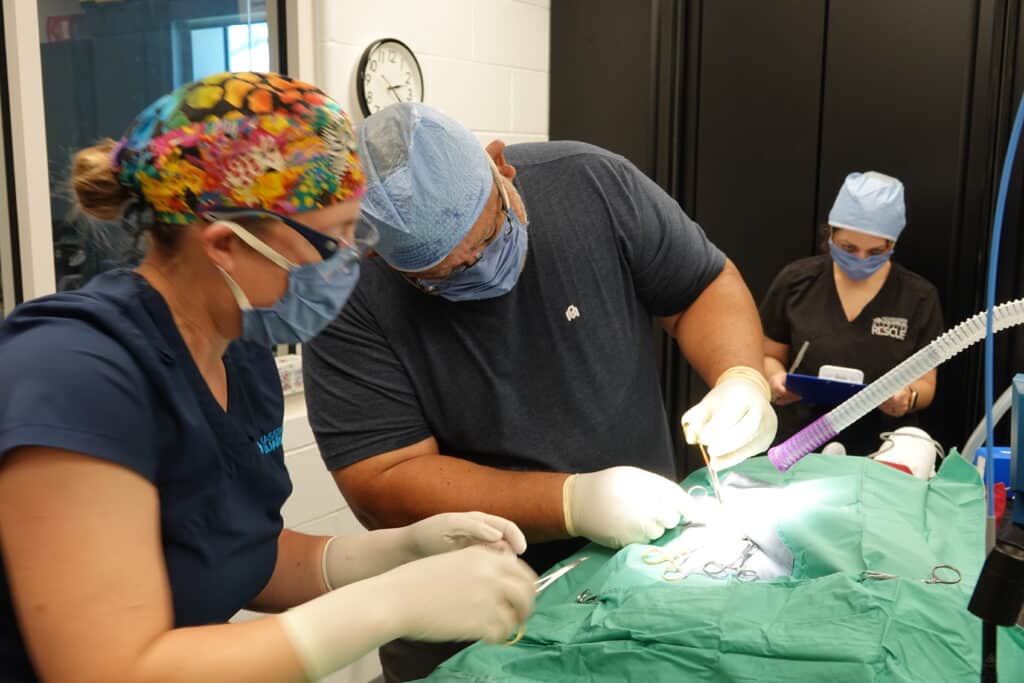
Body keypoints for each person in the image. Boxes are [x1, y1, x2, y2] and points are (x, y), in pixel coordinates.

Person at [0, 73, 537, 683]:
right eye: (335, 237)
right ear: (226, 244)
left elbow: (242, 555)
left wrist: (390, 554)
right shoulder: (73, 372)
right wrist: (387, 606)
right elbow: (107, 669)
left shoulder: (241, 353)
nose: (352, 260)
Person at [303, 102, 777, 681]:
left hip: (643, 569)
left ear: (501, 167)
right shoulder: (344, 292)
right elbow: (383, 480)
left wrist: (739, 375)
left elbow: (700, 285)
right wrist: (572, 502)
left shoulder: (592, 185)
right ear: (377, 254)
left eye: (487, 236)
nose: (477, 268)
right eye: (441, 274)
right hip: (471, 615)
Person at [760, 171, 944, 456]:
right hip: (798, 443)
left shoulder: (918, 298)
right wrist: (775, 381)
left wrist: (908, 397)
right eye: (849, 248)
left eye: (874, 252)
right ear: (831, 233)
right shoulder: (796, 282)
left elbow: (927, 384)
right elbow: (769, 355)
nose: (860, 259)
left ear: (892, 245)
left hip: (883, 449)